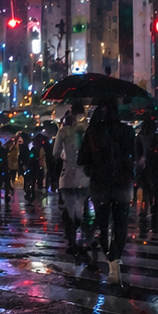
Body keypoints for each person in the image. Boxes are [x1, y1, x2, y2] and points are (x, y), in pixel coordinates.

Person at [77, 102, 136, 283]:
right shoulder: (127, 131)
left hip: (100, 184)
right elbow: (132, 155)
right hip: (123, 183)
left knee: (102, 224)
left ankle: (110, 260)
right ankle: (116, 257)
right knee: (121, 223)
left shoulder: (93, 132)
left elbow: (82, 160)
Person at [54, 108, 91, 261]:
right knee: (81, 207)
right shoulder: (84, 131)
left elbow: (55, 153)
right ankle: (82, 235)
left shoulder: (62, 132)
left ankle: (71, 241)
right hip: (83, 176)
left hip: (68, 176)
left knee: (69, 209)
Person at [135, 116, 158, 231]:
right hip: (157, 168)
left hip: (145, 168)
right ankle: (155, 209)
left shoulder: (139, 137)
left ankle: (147, 208)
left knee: (147, 189)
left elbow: (136, 153)